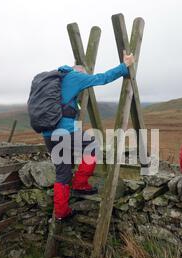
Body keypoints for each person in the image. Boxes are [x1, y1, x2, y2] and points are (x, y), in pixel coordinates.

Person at [44, 52, 135, 221]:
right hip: (65, 130)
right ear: (79, 71)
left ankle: (61, 213)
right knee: (92, 146)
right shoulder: (76, 76)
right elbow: (102, 78)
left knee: (62, 172)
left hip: (48, 133)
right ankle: (80, 184)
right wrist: (125, 66)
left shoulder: (55, 79)